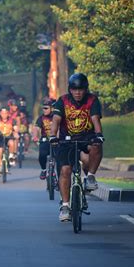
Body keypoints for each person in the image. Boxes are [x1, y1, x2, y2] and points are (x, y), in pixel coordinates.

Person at [49, 73, 105, 222]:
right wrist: (53, 135)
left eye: (81, 89)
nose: (78, 93)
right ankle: (65, 206)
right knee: (65, 170)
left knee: (95, 148)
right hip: (66, 140)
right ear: (70, 89)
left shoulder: (92, 100)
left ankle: (91, 177)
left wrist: (99, 134)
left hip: (86, 137)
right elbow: (56, 119)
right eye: (74, 89)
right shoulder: (63, 101)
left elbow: (95, 119)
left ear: (86, 89)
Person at [32, 98, 55, 180]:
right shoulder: (41, 118)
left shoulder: (57, 117)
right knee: (42, 155)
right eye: (43, 108)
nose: (44, 110)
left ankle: (59, 177)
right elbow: (36, 128)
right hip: (45, 140)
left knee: (60, 159)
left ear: (52, 108)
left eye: (46, 108)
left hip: (57, 140)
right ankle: (44, 170)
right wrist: (35, 136)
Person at [0, 107, 19, 176]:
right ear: (0, 114)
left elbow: (15, 129)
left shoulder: (12, 120)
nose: (4, 114)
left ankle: (11, 156)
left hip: (9, 137)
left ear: (8, 114)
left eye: (6, 113)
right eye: (2, 113)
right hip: (0, 138)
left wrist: (16, 133)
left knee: (11, 143)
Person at [7, 98, 21, 165]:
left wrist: (17, 130)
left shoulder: (17, 113)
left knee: (16, 137)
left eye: (16, 106)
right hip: (7, 129)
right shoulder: (6, 113)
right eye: (14, 106)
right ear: (10, 106)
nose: (16, 107)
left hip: (14, 128)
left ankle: (15, 153)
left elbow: (18, 122)